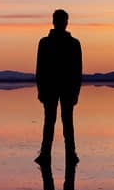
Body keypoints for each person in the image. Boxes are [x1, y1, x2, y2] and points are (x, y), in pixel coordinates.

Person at [35, 9, 82, 165]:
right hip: (50, 88)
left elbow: (77, 70)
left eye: (63, 20)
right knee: (50, 121)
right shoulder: (44, 43)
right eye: (59, 20)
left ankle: (71, 153)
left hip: (67, 88)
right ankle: (45, 154)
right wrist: (40, 90)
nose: (61, 23)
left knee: (67, 122)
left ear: (66, 22)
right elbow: (40, 68)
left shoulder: (74, 44)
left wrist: (76, 92)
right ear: (54, 22)